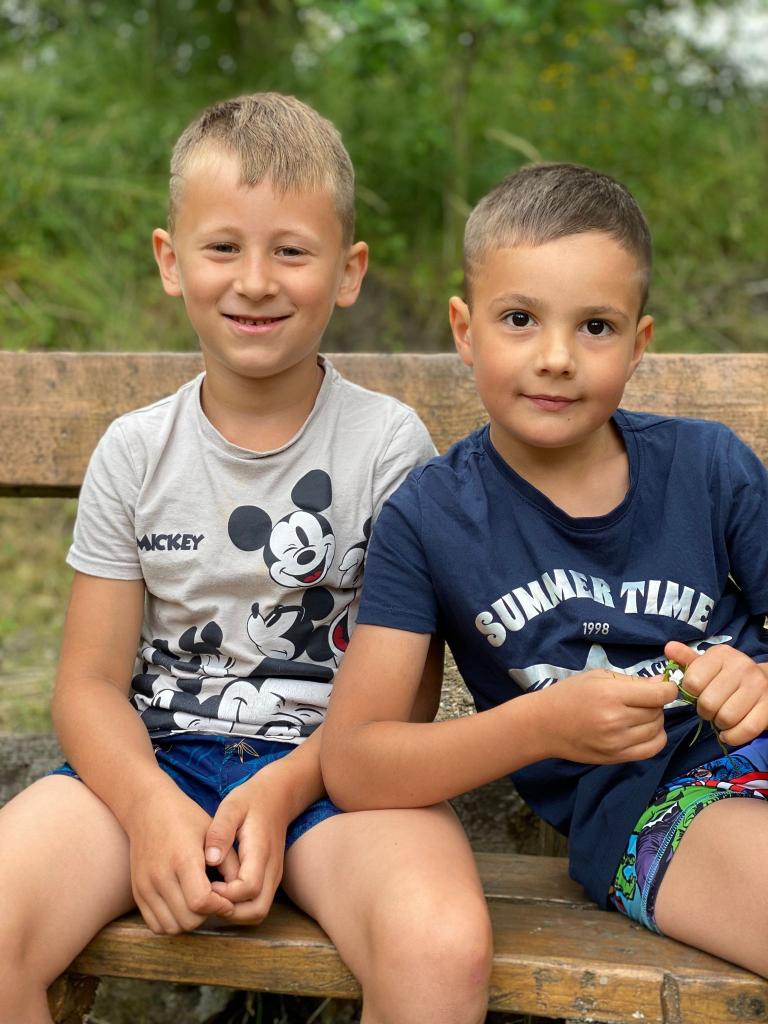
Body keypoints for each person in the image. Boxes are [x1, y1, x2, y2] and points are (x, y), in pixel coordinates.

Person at [0, 93, 493, 1024]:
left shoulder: (387, 448)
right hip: (157, 763)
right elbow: (88, 686)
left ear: (348, 272)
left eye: (292, 252)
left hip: (338, 778)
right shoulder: (135, 453)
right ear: (170, 260)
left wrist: (281, 791)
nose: (256, 281)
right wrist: (146, 807)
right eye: (223, 247)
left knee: (439, 944)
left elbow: (407, 696)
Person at [321, 162, 768, 978]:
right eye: (520, 318)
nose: (557, 357)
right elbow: (355, 764)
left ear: (639, 344)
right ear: (465, 330)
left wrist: (760, 680)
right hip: (657, 809)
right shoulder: (430, 519)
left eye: (595, 326)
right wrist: (541, 727)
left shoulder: (708, 468)